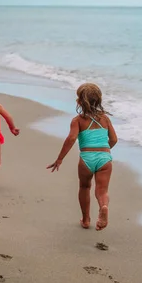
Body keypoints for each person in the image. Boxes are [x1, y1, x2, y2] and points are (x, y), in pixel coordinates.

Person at [47, 83, 117, 231]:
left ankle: (86, 220)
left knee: (84, 187)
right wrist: (105, 151)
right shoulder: (105, 119)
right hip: (105, 157)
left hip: (86, 158)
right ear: (99, 100)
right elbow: (114, 140)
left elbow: (71, 139)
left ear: (79, 101)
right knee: (102, 190)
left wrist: (60, 158)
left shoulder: (78, 120)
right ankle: (103, 207)